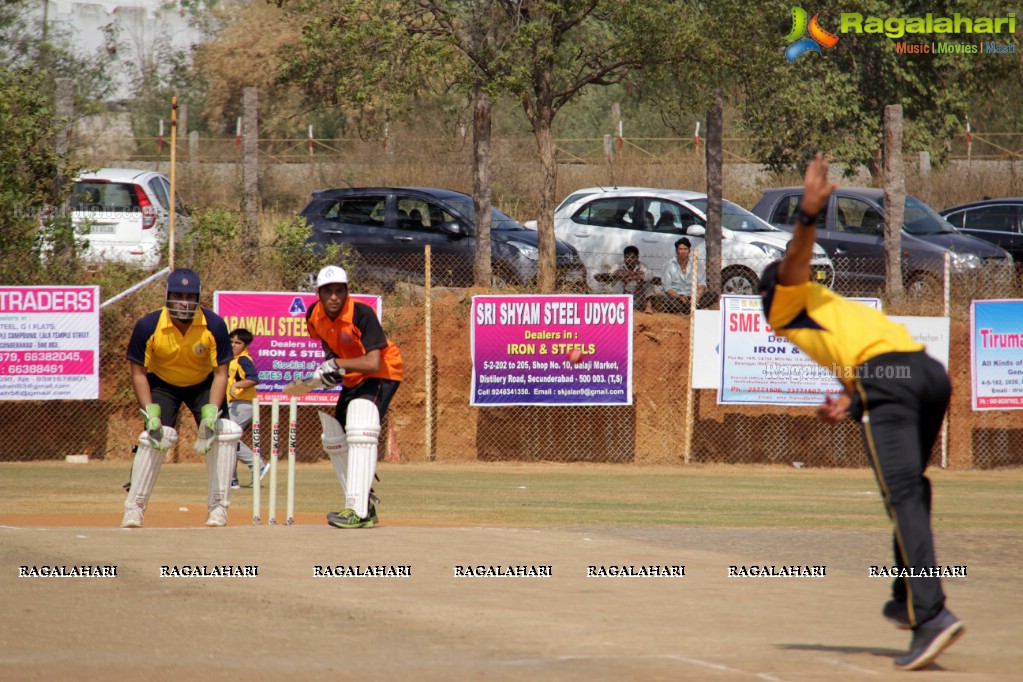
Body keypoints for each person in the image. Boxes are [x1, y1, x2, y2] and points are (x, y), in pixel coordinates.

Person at [758, 153, 964, 671]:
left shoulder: (788, 302)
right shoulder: (830, 311)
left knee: (903, 498)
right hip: (925, 374)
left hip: (891, 379)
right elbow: (880, 366)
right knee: (911, 488)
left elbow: (795, 264)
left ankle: (931, 613)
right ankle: (905, 596)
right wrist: (851, 402)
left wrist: (806, 214)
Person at [122, 268, 240, 528]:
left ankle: (219, 508)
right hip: (163, 384)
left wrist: (212, 410)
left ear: (198, 298)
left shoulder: (214, 324)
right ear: (167, 296)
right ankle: (134, 509)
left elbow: (221, 372)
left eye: (189, 296)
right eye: (178, 296)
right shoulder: (148, 325)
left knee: (223, 432)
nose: (183, 302)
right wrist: (150, 412)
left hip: (203, 383)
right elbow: (139, 373)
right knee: (156, 435)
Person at [306, 265, 404, 529]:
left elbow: (373, 363)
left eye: (339, 291)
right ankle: (365, 503)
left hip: (383, 372)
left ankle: (358, 512)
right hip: (352, 376)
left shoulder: (362, 314)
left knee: (361, 425)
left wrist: (337, 363)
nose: (334, 297)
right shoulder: (313, 315)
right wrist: (330, 363)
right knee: (338, 436)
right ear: (319, 293)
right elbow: (327, 342)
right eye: (328, 292)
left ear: (347, 292)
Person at [226, 328, 269, 489]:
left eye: (238, 343)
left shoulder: (243, 359)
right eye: (231, 342)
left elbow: (253, 379)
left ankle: (258, 465)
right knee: (227, 439)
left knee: (229, 437)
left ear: (246, 345)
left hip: (243, 404)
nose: (233, 345)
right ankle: (232, 479)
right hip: (233, 404)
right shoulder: (231, 359)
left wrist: (236, 385)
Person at [658, 237, 713, 313]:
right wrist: (679, 297)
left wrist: (697, 297)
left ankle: (689, 309)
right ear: (676, 251)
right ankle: (692, 310)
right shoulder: (668, 265)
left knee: (713, 295)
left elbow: (702, 283)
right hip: (677, 297)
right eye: (680, 249)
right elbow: (667, 287)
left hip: (693, 296)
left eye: (685, 249)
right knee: (668, 299)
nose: (683, 251)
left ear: (689, 251)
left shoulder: (697, 264)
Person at [611, 245, 654, 314]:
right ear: (624, 258)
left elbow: (648, 276)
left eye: (632, 257)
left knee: (647, 283)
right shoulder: (619, 265)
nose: (629, 259)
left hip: (637, 295)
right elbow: (615, 273)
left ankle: (648, 307)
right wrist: (636, 274)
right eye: (627, 257)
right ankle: (617, 305)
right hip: (624, 293)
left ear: (637, 258)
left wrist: (627, 276)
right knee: (619, 282)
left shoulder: (643, 266)